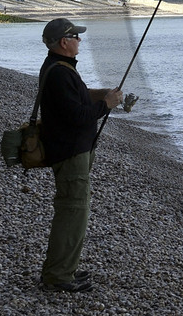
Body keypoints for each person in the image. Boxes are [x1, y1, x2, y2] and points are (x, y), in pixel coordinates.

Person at [36, 17, 122, 293]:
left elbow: (78, 96)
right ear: (64, 42)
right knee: (73, 213)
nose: (79, 41)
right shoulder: (60, 72)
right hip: (70, 153)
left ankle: (64, 268)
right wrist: (106, 105)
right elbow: (78, 116)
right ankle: (58, 276)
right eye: (75, 36)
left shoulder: (59, 68)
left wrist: (102, 94)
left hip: (70, 151)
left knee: (73, 212)